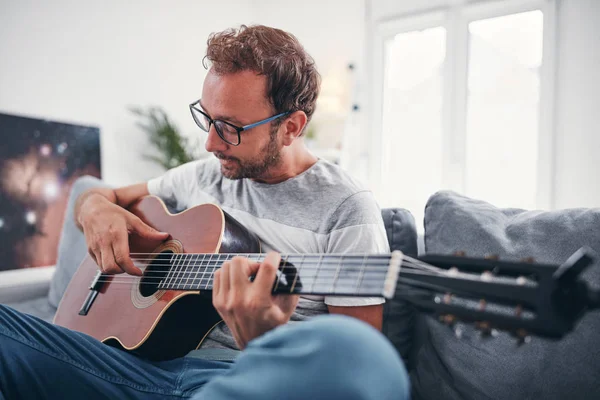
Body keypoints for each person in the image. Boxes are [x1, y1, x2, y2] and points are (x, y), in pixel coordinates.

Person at [0, 25, 409, 399]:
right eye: (207, 119)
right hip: (130, 364)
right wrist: (93, 208)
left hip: (236, 379)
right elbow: (101, 196)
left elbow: (353, 365)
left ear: (291, 127)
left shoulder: (347, 208)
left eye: (230, 127)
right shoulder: (202, 176)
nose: (211, 144)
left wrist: (265, 342)